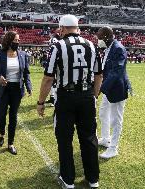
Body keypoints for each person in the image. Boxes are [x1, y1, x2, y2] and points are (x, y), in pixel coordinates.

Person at [37, 14, 102, 189]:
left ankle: (68, 179)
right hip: (87, 96)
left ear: (62, 28)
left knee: (64, 139)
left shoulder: (58, 46)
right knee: (89, 138)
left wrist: (41, 102)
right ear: (77, 28)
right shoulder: (92, 45)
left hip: (66, 96)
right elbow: (98, 75)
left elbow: (48, 78)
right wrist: (93, 95)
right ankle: (93, 179)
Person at [0, 31, 32, 155]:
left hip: (17, 89)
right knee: (1, 116)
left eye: (18, 40)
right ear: (8, 41)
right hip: (3, 89)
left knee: (13, 116)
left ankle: (10, 143)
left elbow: (26, 73)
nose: (17, 42)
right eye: (15, 40)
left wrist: (28, 86)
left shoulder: (23, 55)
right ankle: (2, 133)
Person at [97, 26, 132, 159]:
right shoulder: (108, 48)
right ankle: (106, 138)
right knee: (103, 113)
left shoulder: (118, 48)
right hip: (109, 87)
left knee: (116, 119)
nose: (98, 40)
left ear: (107, 36)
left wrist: (101, 88)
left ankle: (113, 148)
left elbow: (116, 72)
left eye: (99, 38)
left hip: (117, 88)